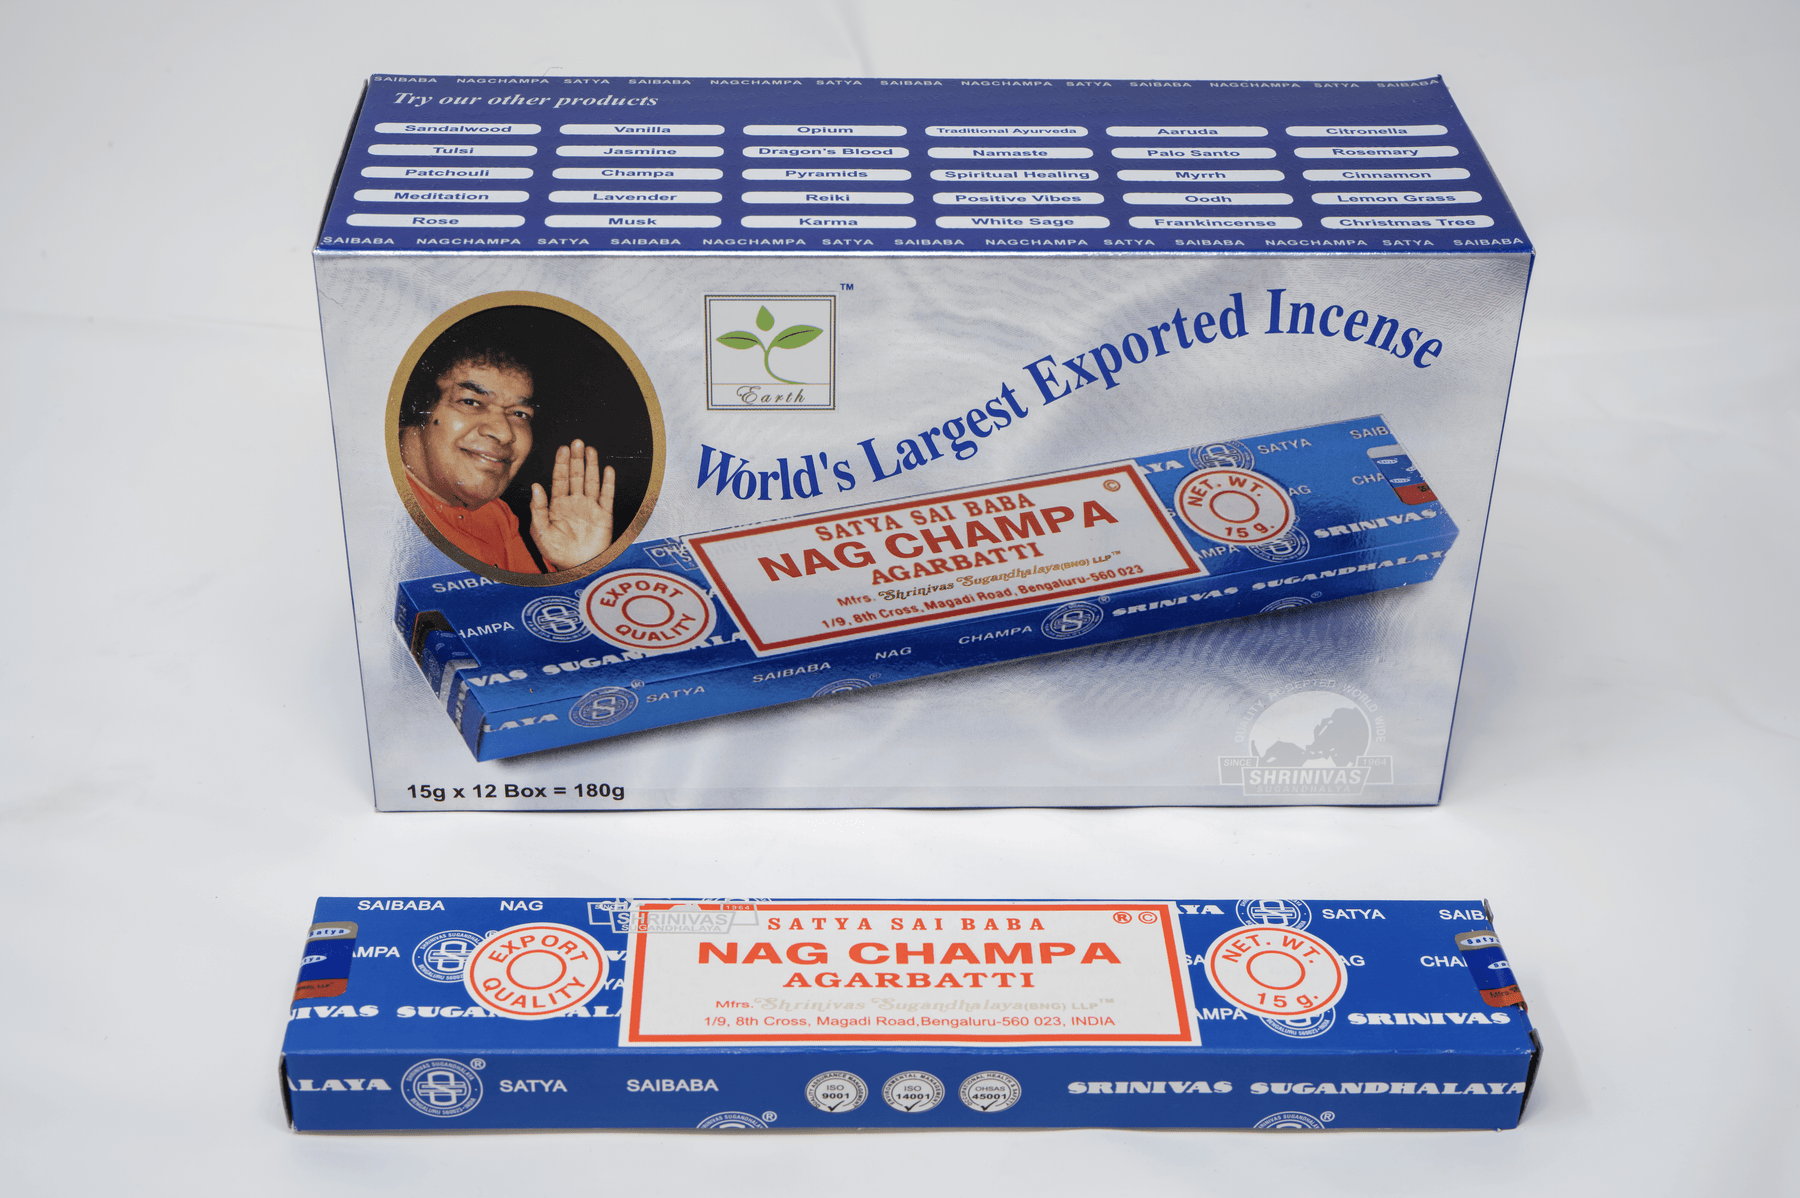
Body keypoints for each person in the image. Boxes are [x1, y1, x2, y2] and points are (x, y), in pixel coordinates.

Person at [397, 337, 616, 574]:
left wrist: (579, 566)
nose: (504, 433)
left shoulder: (495, 515)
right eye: (471, 402)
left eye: (519, 414)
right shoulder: (381, 519)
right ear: (413, 409)